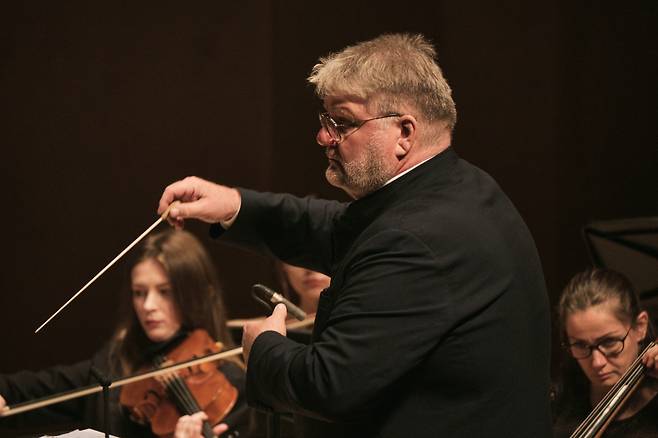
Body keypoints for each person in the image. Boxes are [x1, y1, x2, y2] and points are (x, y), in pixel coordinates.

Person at [157, 33, 552, 437]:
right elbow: (338, 228)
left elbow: (329, 386)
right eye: (324, 121)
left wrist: (265, 349)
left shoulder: (415, 239)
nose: (323, 138)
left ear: (404, 133)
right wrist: (234, 205)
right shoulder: (459, 188)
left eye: (341, 123)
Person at [0, 229, 248, 437]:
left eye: (165, 291)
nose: (148, 305)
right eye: (139, 292)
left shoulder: (230, 384)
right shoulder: (114, 364)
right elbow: (28, 390)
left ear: (195, 295)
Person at [552, 268, 658, 437]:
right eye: (580, 345)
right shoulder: (560, 400)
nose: (597, 362)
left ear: (640, 327)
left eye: (609, 342)